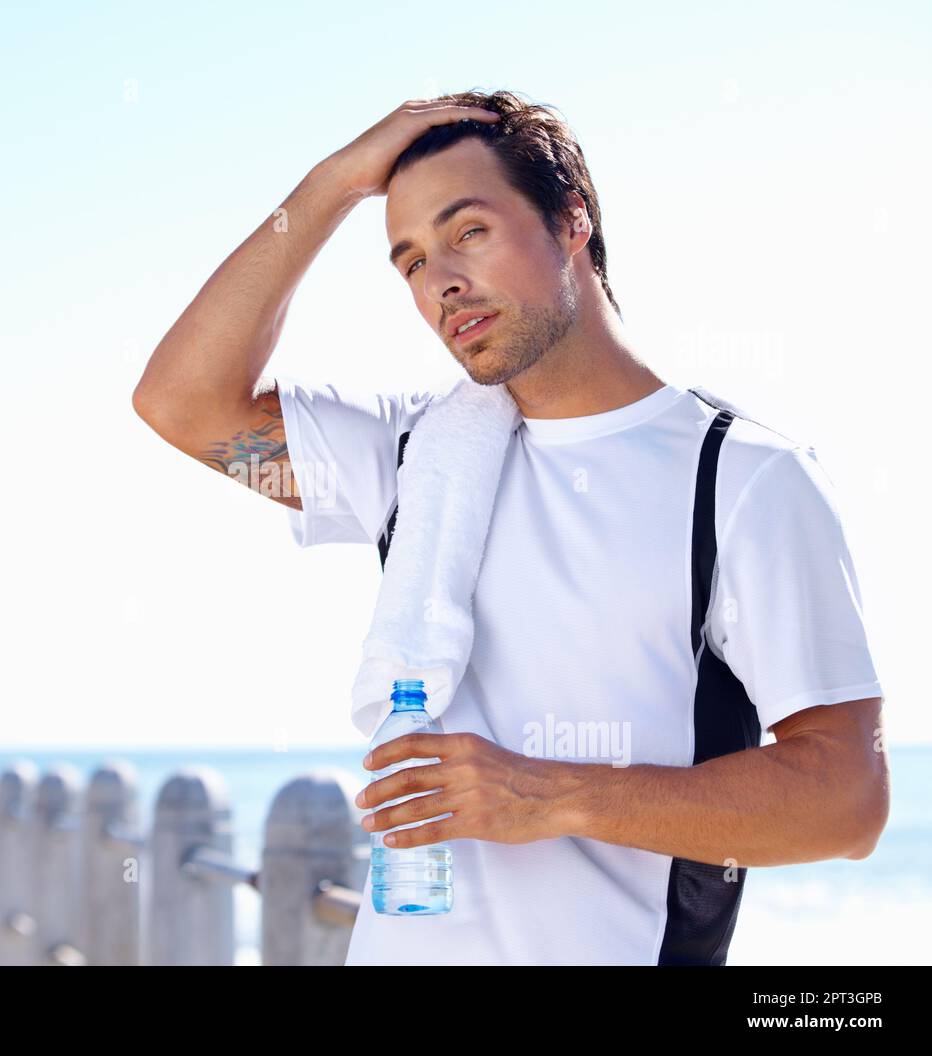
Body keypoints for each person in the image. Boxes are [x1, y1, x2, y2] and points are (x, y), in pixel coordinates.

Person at [132, 90, 888, 965]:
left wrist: (548, 795)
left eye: (469, 232)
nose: (440, 282)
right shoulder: (417, 460)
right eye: (410, 261)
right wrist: (333, 185)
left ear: (572, 220)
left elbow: (846, 800)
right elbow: (180, 403)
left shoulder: (747, 479)